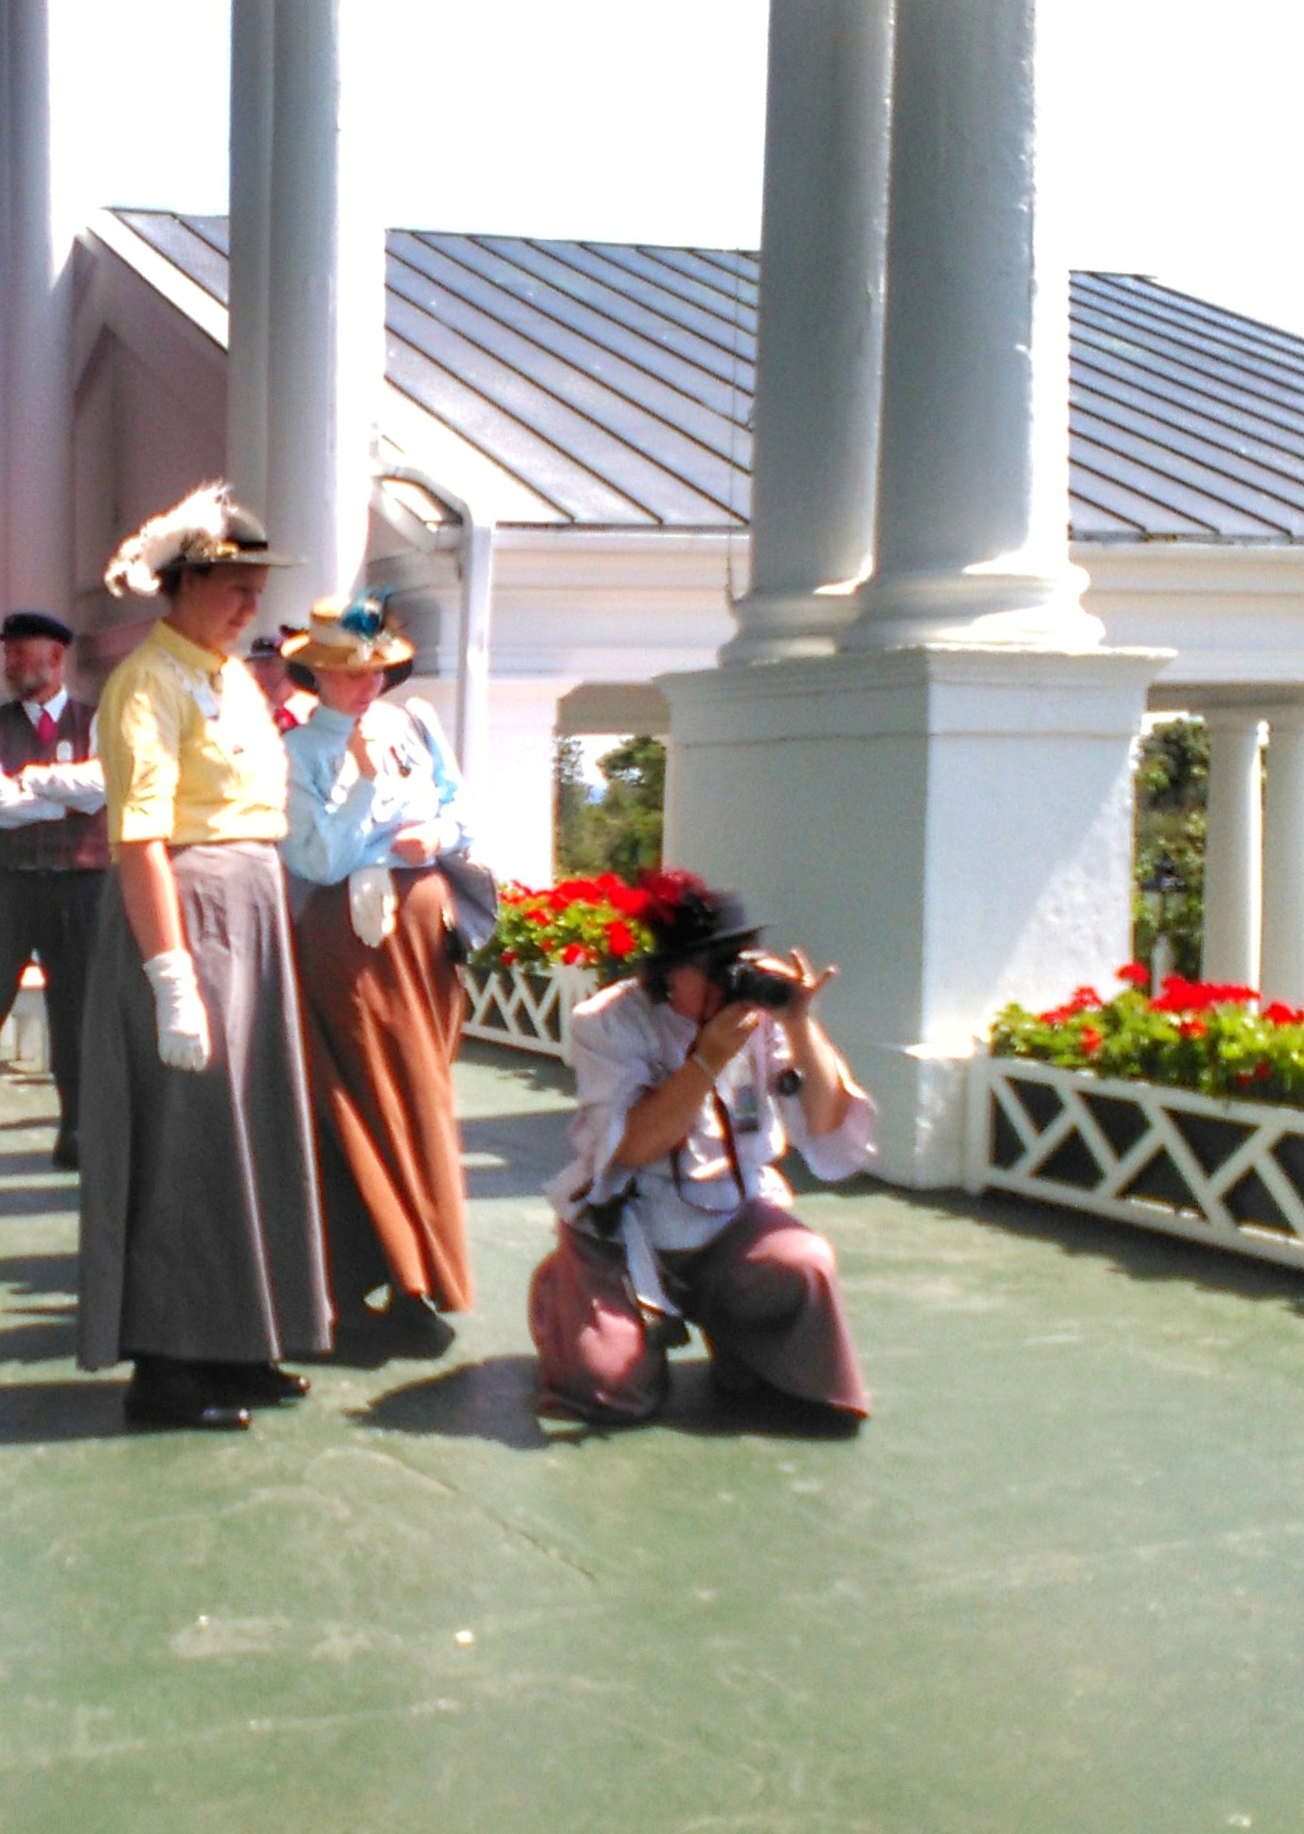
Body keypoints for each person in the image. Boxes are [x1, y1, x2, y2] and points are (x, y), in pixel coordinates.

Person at [78, 483, 328, 1433]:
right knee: (184, 1136)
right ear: (178, 580)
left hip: (250, 905)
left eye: (256, 583)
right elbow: (140, 838)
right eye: (229, 580)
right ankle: (169, 1367)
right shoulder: (147, 681)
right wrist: (170, 976)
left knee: (247, 1125)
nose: (248, 600)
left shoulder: (227, 676)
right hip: (184, 908)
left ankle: (238, 1340)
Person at [529, 872, 875, 1427]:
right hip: (627, 1227)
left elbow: (828, 1122)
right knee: (613, 1389)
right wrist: (705, 1062)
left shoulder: (757, 1020)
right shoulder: (609, 1022)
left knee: (802, 1265)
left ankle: (743, 1344)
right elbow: (634, 1148)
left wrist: (799, 1023)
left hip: (726, 1221)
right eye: (712, 966)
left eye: (737, 961)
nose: (729, 982)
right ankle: (562, 1291)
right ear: (667, 973)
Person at [280, 592, 476, 1353]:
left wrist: (436, 830)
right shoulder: (298, 753)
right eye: (345, 672)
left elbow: (462, 809)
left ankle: (411, 1273)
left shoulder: (414, 724)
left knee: (423, 1096)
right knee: (368, 1098)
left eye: (374, 670)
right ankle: (380, 1275)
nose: (365, 686)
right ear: (315, 676)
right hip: (350, 941)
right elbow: (317, 859)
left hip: (426, 933)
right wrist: (360, 785)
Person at [0, 611, 108, 1179]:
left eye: (20, 653)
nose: (10, 664)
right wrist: (66, 793)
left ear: (56, 657)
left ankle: (75, 1129)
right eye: (8, 654)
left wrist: (28, 781)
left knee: (77, 1013)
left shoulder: (99, 721)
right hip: (6, 887)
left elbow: (106, 787)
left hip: (82, 885)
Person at [246, 632, 317, 733]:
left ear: (289, 666)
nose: (261, 673)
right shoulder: (252, 715)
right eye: (257, 666)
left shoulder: (313, 710)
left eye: (268, 663)